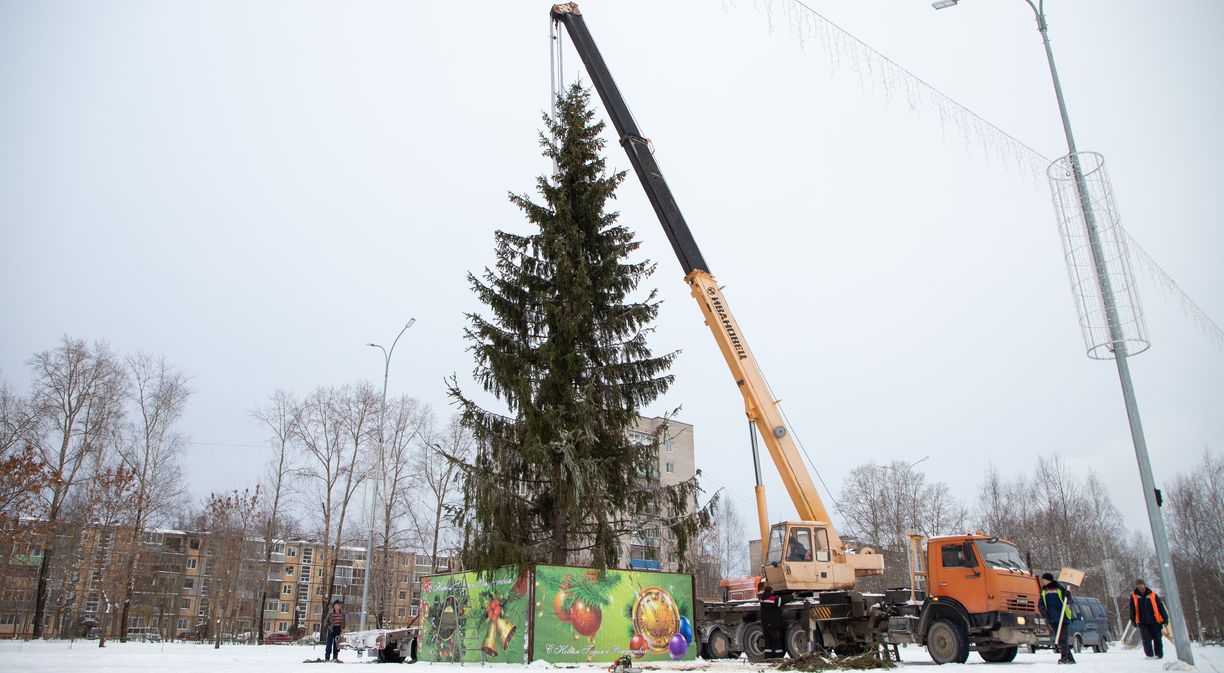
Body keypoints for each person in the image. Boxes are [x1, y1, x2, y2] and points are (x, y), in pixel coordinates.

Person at [1039, 573, 1075, 664]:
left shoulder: (1060, 589)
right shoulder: (1044, 592)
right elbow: (1041, 604)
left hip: (1063, 617)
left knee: (1063, 638)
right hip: (1052, 618)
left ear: (1048, 580)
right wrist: (1043, 611)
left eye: (1043, 580)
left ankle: (1064, 657)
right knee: (1059, 639)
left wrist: (1068, 595)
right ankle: (1070, 658)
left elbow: (1069, 601)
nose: (1042, 582)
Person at [1128, 579, 1167, 660]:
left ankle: (1159, 655)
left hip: (1155, 620)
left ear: (1144, 584)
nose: (1140, 586)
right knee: (1146, 639)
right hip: (1142, 621)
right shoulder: (1134, 595)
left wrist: (1165, 618)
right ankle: (1149, 655)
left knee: (1157, 638)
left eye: (1141, 584)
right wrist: (1133, 619)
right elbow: (1132, 608)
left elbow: (1160, 606)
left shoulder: (1152, 594)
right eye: (1138, 585)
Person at [758, 584, 785, 659]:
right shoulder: (773, 599)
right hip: (773, 624)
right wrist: (792, 596)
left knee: (768, 641)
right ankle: (778, 656)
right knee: (776, 640)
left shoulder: (762, 599)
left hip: (765, 624)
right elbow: (781, 601)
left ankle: (768, 656)